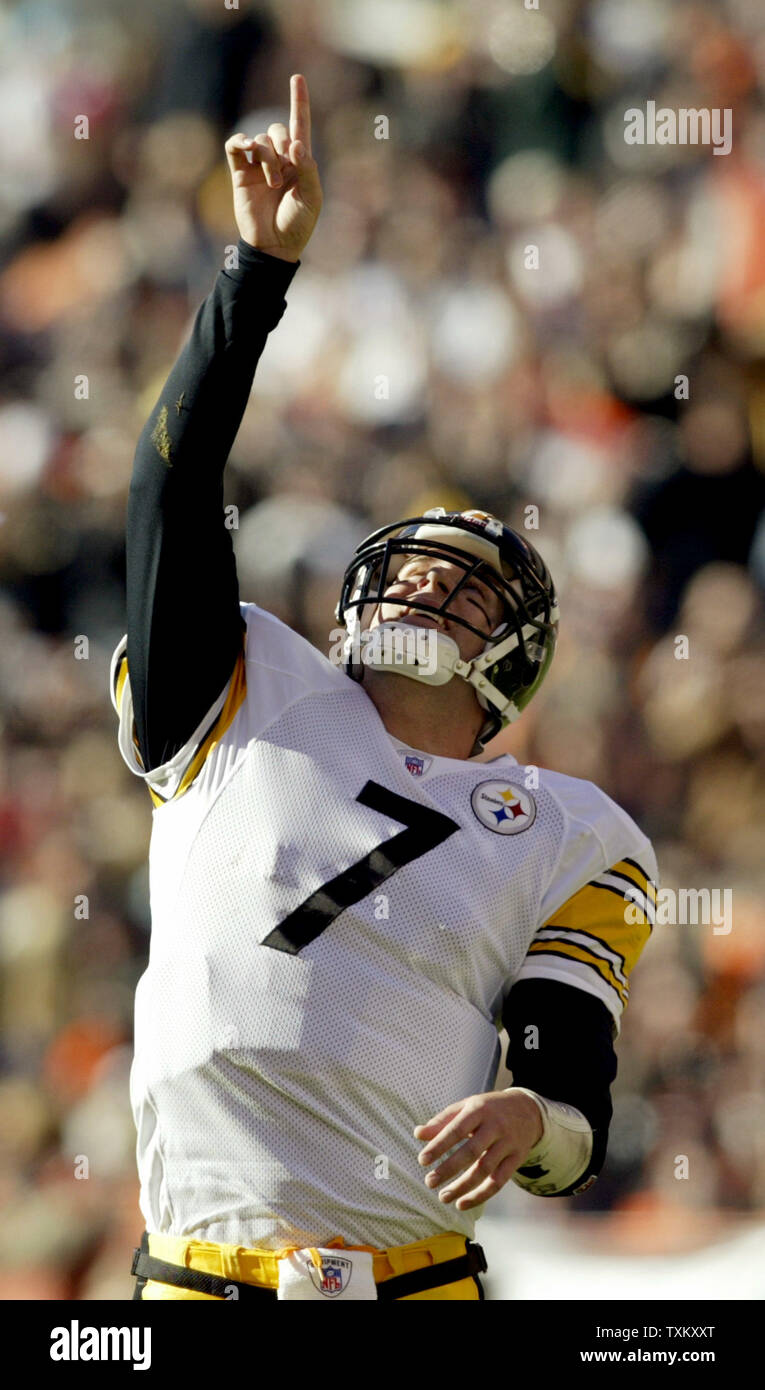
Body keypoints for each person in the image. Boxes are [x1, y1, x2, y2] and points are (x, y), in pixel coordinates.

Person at [112, 75, 657, 1302]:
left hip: (414, 1282)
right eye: (404, 567)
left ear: (512, 657)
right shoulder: (244, 688)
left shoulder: (573, 833)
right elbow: (168, 489)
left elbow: (572, 1115)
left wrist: (531, 1121)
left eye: (459, 586)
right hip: (197, 1278)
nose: (417, 590)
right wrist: (256, 275)